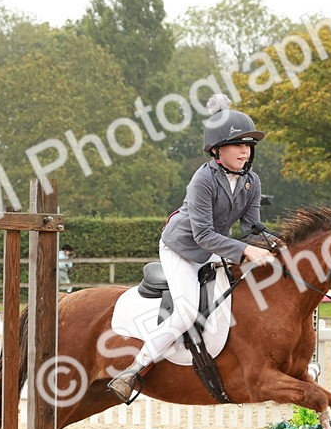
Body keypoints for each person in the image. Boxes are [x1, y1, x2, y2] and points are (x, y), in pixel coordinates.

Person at [106, 94, 277, 401]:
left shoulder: (251, 181)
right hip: (182, 248)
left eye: (249, 145)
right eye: (238, 144)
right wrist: (243, 251)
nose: (245, 150)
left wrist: (277, 244)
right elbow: (203, 236)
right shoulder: (203, 180)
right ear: (217, 149)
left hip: (215, 247)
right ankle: (133, 370)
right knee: (186, 313)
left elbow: (252, 227)